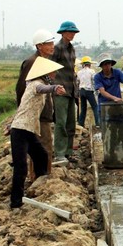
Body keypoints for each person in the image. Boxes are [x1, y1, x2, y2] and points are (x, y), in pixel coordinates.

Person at [10, 57, 66, 209]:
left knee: (41, 155)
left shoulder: (35, 83)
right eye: (52, 71)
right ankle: (16, 201)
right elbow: (42, 89)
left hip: (28, 129)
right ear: (45, 73)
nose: (54, 74)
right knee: (20, 166)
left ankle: (41, 185)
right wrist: (55, 88)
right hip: (20, 130)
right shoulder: (36, 84)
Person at [15, 29, 56, 171]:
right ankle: (42, 178)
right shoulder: (32, 62)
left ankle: (40, 176)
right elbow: (22, 89)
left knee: (41, 146)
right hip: (36, 114)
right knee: (43, 146)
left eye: (52, 43)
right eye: (48, 44)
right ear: (39, 46)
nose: (52, 46)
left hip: (43, 111)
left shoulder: (44, 62)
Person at [51, 20, 80, 165]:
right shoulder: (57, 48)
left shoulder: (71, 49)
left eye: (74, 32)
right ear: (63, 33)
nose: (72, 34)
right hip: (60, 90)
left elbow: (72, 70)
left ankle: (68, 152)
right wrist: (53, 86)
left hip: (71, 90)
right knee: (60, 123)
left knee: (71, 123)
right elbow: (50, 70)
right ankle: (59, 154)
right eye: (70, 32)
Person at [77, 56, 100, 128]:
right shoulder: (92, 71)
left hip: (81, 91)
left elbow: (78, 81)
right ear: (89, 64)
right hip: (89, 91)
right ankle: (98, 123)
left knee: (83, 108)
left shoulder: (79, 72)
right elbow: (94, 81)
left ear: (83, 64)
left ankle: (81, 123)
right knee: (95, 107)